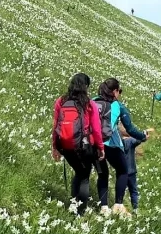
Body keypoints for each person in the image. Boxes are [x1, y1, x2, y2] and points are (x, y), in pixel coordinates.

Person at [93, 79, 149, 217]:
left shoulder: (93, 101)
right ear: (114, 91)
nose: (120, 94)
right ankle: (118, 204)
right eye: (120, 91)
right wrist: (142, 136)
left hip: (93, 143)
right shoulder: (118, 106)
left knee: (102, 174)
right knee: (123, 170)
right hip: (110, 145)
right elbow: (130, 128)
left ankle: (104, 208)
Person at [52, 73, 105, 216]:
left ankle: (74, 204)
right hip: (84, 146)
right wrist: (100, 147)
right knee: (84, 177)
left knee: (78, 172)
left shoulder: (61, 101)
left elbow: (56, 125)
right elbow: (96, 128)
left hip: (65, 146)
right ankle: (80, 212)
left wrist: (54, 147)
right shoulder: (88, 103)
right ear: (86, 86)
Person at [120, 124, 151, 214]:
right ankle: (135, 209)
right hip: (132, 171)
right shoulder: (131, 141)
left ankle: (119, 205)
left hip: (121, 172)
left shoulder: (118, 142)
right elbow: (141, 139)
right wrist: (144, 134)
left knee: (121, 189)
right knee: (133, 190)